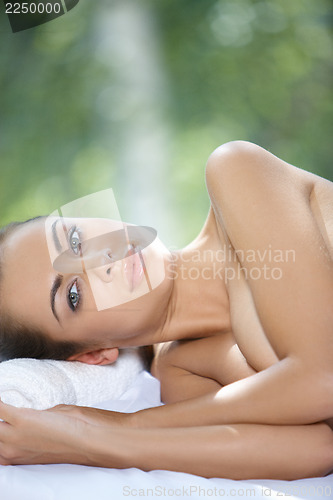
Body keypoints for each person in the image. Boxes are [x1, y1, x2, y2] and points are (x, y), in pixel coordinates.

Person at [0, 140, 332, 480]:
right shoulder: (182, 372)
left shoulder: (236, 170)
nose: (102, 259)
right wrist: (94, 443)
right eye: (73, 294)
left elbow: (323, 380)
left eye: (74, 240)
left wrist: (127, 424)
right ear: (94, 355)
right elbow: (316, 448)